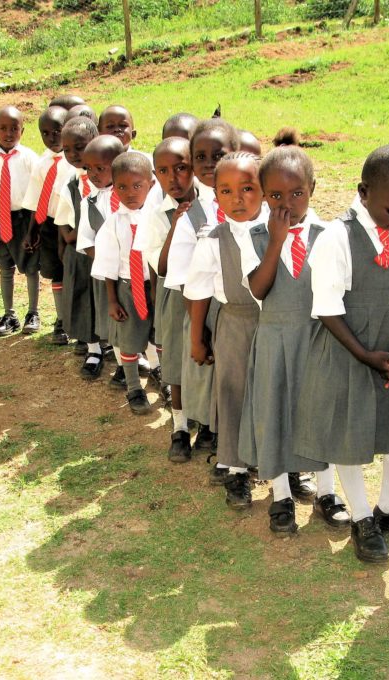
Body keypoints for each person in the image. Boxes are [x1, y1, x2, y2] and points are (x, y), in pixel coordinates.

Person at [301, 144, 389, 563]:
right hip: (348, 352)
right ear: (364, 191)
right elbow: (328, 308)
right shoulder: (337, 238)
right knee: (350, 438)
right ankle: (360, 518)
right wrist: (366, 355)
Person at [239, 144, 347, 534]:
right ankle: (282, 493)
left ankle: (326, 492)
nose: (287, 203)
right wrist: (276, 240)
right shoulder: (253, 235)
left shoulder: (332, 234)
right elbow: (260, 289)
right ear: (263, 195)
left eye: (297, 193)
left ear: (313, 189)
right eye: (276, 196)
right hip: (275, 339)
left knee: (321, 415)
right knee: (276, 413)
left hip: (320, 339)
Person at [183, 152, 268, 510]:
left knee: (273, 392)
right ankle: (235, 469)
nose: (238, 199)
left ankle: (288, 465)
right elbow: (198, 293)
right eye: (226, 191)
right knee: (233, 395)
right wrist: (197, 338)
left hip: (275, 326)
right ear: (214, 195)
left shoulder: (280, 231)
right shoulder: (213, 240)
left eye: (248, 189)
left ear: (265, 190)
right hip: (234, 323)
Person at [170, 118, 237, 471]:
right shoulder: (190, 216)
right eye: (201, 157)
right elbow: (185, 280)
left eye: (219, 155)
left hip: (243, 313)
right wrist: (201, 328)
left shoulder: (251, 204)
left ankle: (231, 443)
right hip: (204, 311)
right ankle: (215, 440)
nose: (210, 164)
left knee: (236, 381)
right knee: (210, 377)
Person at [144, 136, 208, 461]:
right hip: (174, 297)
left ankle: (209, 425)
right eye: (164, 171)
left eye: (182, 168)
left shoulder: (212, 202)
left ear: (194, 167)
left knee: (207, 358)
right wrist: (177, 224)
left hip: (208, 297)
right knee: (177, 365)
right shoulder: (157, 213)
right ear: (155, 175)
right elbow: (163, 266)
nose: (174, 178)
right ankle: (180, 427)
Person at [92, 153, 159, 415]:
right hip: (127, 288)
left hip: (152, 286)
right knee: (128, 339)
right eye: (122, 187)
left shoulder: (155, 218)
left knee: (157, 334)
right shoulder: (112, 224)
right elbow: (108, 265)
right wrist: (112, 299)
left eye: (137, 186)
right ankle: (133, 388)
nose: (130, 193)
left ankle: (159, 374)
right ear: (114, 187)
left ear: (151, 185)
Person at [0, 106, 40, 337]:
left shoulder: (30, 158)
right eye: (3, 128)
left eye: (14, 128)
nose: (9, 133)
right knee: (5, 268)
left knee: (31, 267)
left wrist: (34, 229)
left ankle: (33, 312)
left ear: (22, 129)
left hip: (23, 219)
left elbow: (36, 194)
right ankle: (10, 314)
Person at [77, 135, 128, 385]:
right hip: (107, 274)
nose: (93, 174)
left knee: (138, 318)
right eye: (88, 168)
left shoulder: (133, 194)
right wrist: (108, 261)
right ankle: (121, 365)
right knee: (113, 323)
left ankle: (147, 361)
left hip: (134, 273)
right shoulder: (90, 201)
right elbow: (85, 241)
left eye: (100, 168)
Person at [53, 117, 102, 377]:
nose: (73, 155)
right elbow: (61, 218)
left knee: (107, 299)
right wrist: (69, 238)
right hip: (81, 254)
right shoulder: (70, 183)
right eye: (67, 149)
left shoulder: (107, 177)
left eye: (79, 147)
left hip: (106, 252)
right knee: (84, 299)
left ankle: (122, 350)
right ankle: (93, 349)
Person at [22, 106, 72, 344]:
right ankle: (61, 321)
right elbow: (35, 200)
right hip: (51, 226)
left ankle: (78, 322)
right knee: (56, 273)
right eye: (45, 133)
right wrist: (32, 231)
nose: (52, 138)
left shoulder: (75, 161)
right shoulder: (41, 164)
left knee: (75, 271)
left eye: (57, 131)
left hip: (73, 226)